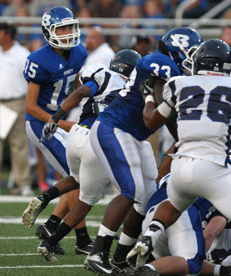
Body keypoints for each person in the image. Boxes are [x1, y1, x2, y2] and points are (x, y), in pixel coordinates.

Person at [83, 27, 203, 275]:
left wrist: (185, 136)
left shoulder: (173, 72)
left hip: (133, 135)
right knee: (131, 190)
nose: (194, 57)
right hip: (113, 127)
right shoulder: (161, 63)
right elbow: (160, 110)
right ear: (177, 50)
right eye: (191, 51)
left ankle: (120, 257)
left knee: (147, 196)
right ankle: (97, 253)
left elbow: (167, 113)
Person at [128, 39, 231, 274]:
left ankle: (149, 237)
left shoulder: (178, 84)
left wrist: (147, 98)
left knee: (174, 205)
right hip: (212, 167)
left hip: (181, 166)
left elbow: (151, 121)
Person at [22, 50, 141, 262]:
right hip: (98, 139)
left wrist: (55, 119)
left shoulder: (103, 74)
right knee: (86, 201)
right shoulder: (134, 90)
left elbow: (79, 93)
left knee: (75, 179)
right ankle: (51, 241)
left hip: (76, 134)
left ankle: (44, 198)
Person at [24, 6, 92, 255]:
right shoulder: (38, 60)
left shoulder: (79, 52)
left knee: (77, 177)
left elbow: (75, 85)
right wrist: (61, 122)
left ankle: (50, 226)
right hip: (41, 123)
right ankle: (82, 239)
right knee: (77, 178)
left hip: (60, 120)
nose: (67, 33)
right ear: (48, 32)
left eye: (70, 27)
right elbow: (30, 106)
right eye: (61, 28)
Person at [0, 22, 32, 195]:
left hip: (16, 102)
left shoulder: (23, 55)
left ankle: (23, 183)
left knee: (19, 144)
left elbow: (31, 82)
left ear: (7, 35)